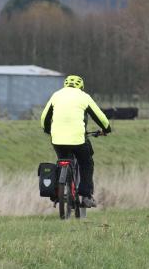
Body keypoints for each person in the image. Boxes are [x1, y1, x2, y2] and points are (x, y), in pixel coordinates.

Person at [40, 75, 111, 209]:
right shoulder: (83, 96)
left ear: (65, 85)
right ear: (81, 86)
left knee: (62, 160)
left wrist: (48, 130)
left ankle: (58, 192)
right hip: (78, 139)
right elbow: (99, 116)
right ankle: (86, 195)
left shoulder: (56, 95)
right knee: (86, 162)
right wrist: (106, 129)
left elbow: (44, 117)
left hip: (57, 139)